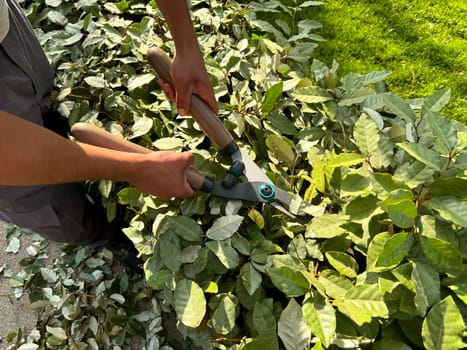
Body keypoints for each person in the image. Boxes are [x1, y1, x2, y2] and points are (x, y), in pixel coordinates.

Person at [0, 0, 217, 251]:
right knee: (46, 205)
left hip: (6, 31)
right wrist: (140, 169)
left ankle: (51, 130)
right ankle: (108, 237)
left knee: (43, 97)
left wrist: (187, 47)